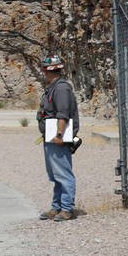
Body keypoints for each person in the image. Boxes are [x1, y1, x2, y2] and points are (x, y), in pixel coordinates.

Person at [37, 53, 79, 222]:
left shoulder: (61, 88)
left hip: (57, 138)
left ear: (47, 70)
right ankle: (57, 206)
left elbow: (63, 114)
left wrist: (59, 135)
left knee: (63, 173)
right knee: (56, 174)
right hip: (50, 137)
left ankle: (67, 208)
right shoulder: (54, 86)